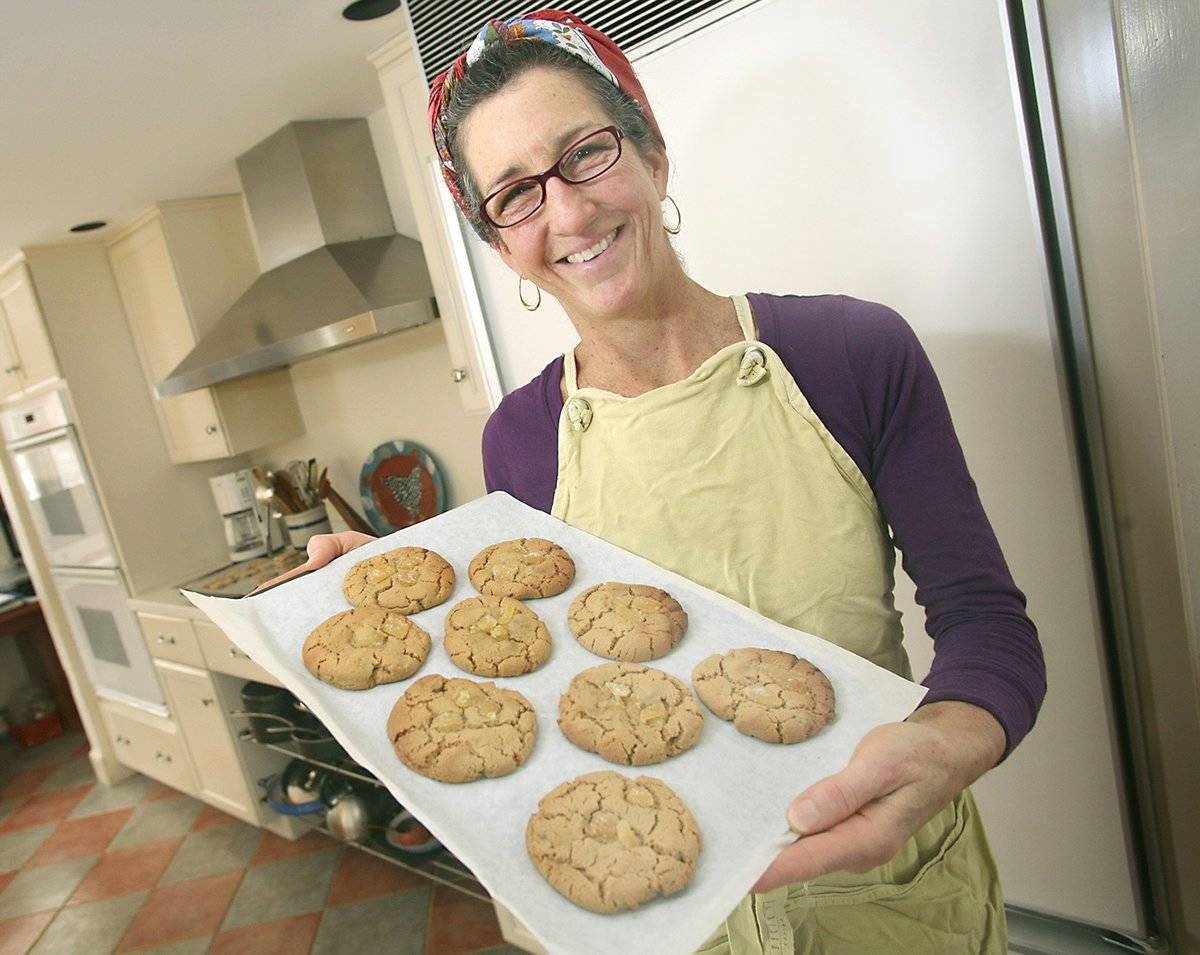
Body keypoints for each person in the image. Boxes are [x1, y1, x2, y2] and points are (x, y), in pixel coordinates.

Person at [273, 9, 1045, 952]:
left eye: (586, 154)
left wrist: (947, 742)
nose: (565, 212)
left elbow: (984, 620)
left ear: (651, 155)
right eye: (515, 194)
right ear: (498, 242)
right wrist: (414, 607)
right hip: (668, 920)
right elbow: (551, 666)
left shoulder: (849, 352)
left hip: (886, 892)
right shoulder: (520, 438)